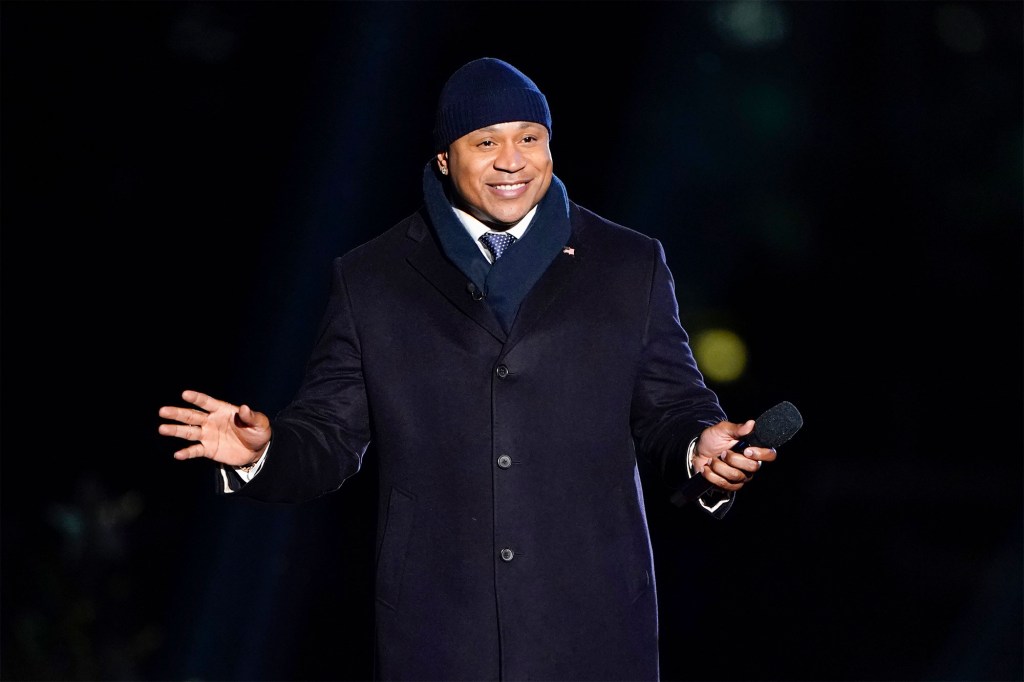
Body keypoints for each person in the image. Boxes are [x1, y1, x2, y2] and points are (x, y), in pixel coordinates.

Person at [158, 57, 779, 681]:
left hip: (594, 621)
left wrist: (703, 445)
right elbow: (330, 432)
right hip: (436, 627)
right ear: (444, 160)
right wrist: (260, 453)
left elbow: (671, 407)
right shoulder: (373, 278)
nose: (513, 160)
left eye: (529, 138)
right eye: (486, 142)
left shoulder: (628, 263)